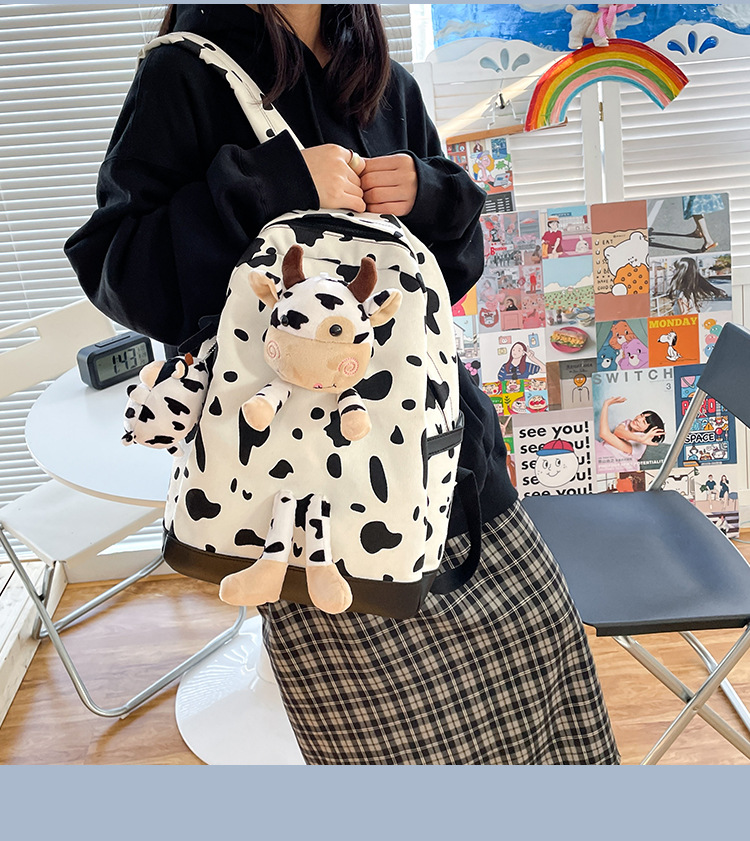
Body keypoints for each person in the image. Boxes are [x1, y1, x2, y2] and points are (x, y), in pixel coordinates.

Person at [64, 4, 618, 765]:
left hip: (450, 463)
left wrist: (430, 196)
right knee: (394, 752)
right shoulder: (185, 72)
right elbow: (119, 269)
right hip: (308, 499)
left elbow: (446, 280)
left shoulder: (385, 81)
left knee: (550, 697)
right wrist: (273, 186)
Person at [596, 396, 665, 473]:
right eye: (641, 415)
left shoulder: (640, 445)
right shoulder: (628, 423)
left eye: (644, 422)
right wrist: (639, 439)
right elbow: (618, 432)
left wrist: (606, 405)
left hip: (615, 464)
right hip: (604, 452)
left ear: (647, 431)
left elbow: (604, 434)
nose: (638, 419)